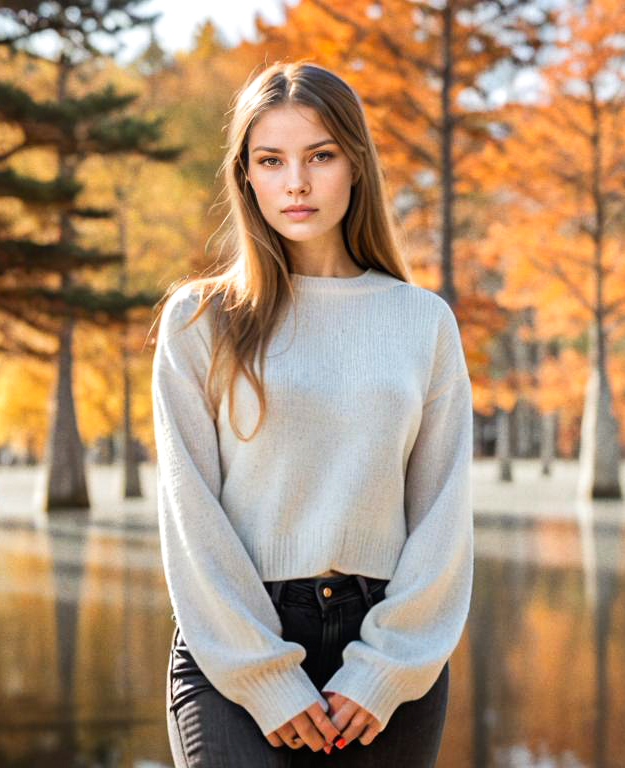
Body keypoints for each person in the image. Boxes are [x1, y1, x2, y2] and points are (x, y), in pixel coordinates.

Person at [149, 60, 474, 767]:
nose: (296, 182)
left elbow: (443, 515)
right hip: (233, 645)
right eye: (272, 160)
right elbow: (189, 514)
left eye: (319, 156)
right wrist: (265, 678)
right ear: (247, 177)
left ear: (355, 165)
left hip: (389, 648)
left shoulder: (422, 322)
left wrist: (384, 671)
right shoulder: (200, 321)